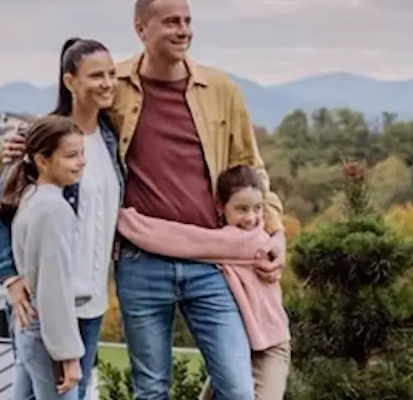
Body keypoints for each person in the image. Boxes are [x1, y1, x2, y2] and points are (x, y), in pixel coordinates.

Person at [2, 0, 288, 400]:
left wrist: (276, 230)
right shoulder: (114, 84)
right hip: (141, 262)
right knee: (151, 390)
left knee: (239, 388)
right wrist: (25, 141)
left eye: (187, 20)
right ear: (141, 28)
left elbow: (250, 168)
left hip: (210, 261)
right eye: (171, 21)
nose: (183, 30)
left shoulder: (222, 91)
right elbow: (71, 117)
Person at [0, 37, 123, 400]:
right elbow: (0, 212)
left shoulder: (113, 140)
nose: (108, 83)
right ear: (69, 82)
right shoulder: (44, 141)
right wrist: (9, 278)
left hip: (91, 300)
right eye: (97, 75)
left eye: (113, 74)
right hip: (48, 301)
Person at [116, 165, 291, 400]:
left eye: (258, 208)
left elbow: (179, 240)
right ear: (220, 207)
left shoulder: (249, 243)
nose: (251, 218)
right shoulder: (232, 239)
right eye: (242, 209)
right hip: (247, 339)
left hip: (269, 346)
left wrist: (125, 220)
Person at [0, 115, 90, 400]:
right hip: (46, 330)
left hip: (28, 327)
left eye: (82, 154)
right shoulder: (53, 209)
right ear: (42, 161)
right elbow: (54, 286)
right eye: (71, 156)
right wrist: (68, 355)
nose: (81, 162)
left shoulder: (30, 197)